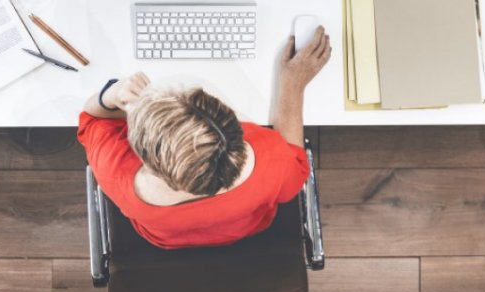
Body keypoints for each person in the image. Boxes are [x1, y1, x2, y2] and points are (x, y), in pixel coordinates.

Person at [78, 27, 331, 249]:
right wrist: (293, 85)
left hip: (165, 237)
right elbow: (295, 171)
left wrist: (113, 93)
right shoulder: (272, 162)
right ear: (232, 126)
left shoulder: (117, 172)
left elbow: (91, 119)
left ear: (145, 158)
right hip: (245, 227)